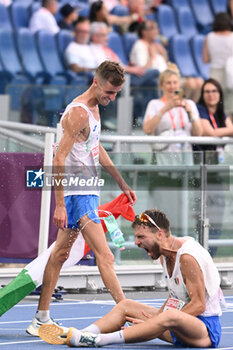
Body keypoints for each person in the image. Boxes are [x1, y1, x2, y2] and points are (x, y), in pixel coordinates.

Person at [26, 61, 137, 336]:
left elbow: (95, 148)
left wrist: (121, 183)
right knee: (105, 255)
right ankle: (127, 312)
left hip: (86, 191)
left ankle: (40, 318)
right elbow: (59, 158)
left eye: (116, 94)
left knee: (60, 255)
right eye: (109, 92)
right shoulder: (78, 114)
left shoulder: (95, 109)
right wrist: (61, 204)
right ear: (96, 82)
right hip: (78, 195)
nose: (112, 99)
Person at [38, 208, 223, 348]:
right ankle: (84, 333)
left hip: (204, 332)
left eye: (141, 236)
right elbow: (175, 299)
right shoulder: (165, 255)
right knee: (126, 305)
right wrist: (157, 318)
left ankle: (100, 340)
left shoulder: (187, 257)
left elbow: (199, 305)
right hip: (176, 326)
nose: (136, 242)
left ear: (159, 233)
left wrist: (154, 323)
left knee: (170, 315)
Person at [143, 65, 202, 155]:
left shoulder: (189, 104)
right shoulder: (154, 104)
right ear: (161, 85)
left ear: (179, 84)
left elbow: (198, 133)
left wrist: (190, 114)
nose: (172, 86)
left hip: (185, 154)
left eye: (175, 82)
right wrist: (166, 108)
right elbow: (147, 130)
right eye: (168, 83)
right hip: (163, 155)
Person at [203, 12, 233, 117]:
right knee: (229, 106)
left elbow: (205, 59)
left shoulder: (209, 37)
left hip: (215, 74)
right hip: (230, 74)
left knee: (214, 103)